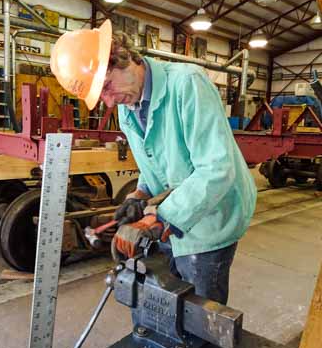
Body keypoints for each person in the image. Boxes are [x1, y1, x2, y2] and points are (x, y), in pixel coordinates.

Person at [51, 19, 257, 305]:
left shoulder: (187, 84)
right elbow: (155, 162)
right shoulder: (128, 107)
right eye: (102, 96)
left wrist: (157, 219)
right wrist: (139, 195)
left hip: (213, 215)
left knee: (200, 314)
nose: (109, 103)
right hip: (174, 212)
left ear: (121, 56)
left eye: (107, 86)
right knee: (168, 304)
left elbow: (217, 169)